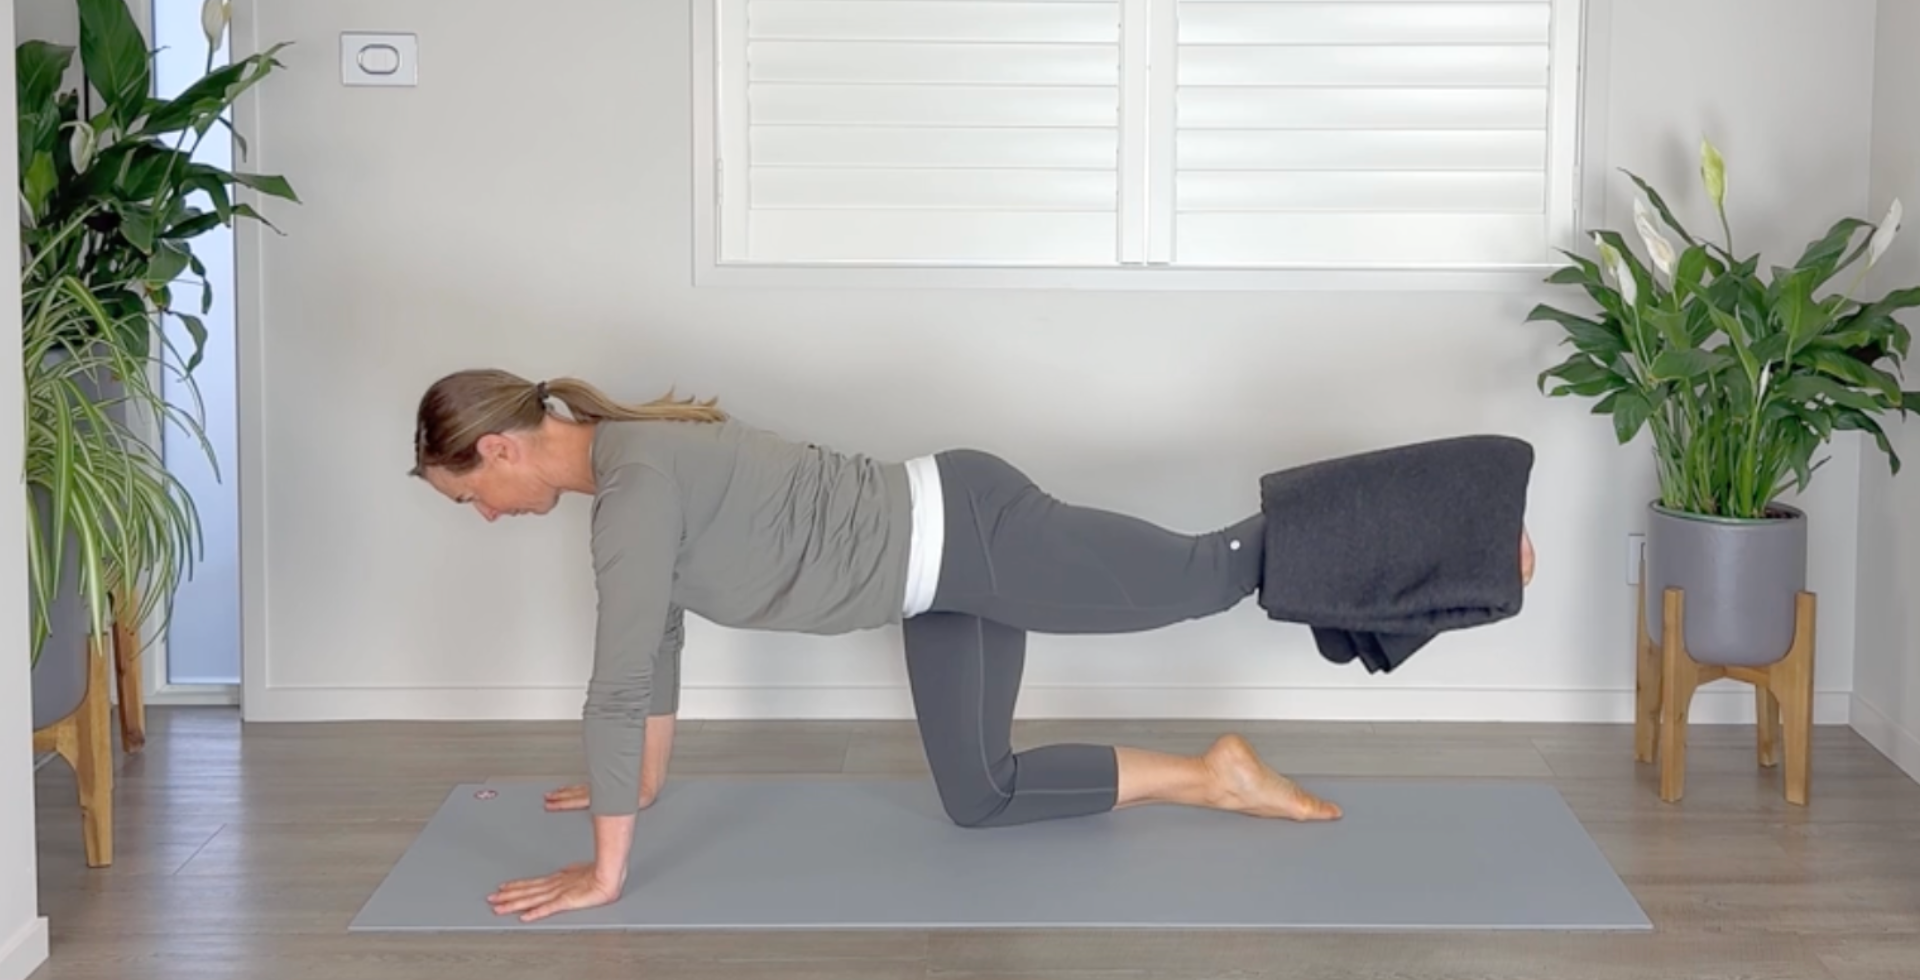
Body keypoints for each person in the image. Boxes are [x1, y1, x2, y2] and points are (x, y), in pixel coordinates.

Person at [411, 368, 1537, 922]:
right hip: (934, 579)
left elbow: (614, 683)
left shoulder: (634, 486)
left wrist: (605, 877)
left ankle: (1466, 525)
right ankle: (1214, 774)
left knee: (1206, 572)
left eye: (466, 494)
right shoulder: (630, 476)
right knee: (980, 794)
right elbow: (650, 651)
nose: (480, 516)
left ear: (502, 450)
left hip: (971, 536)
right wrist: (638, 792)